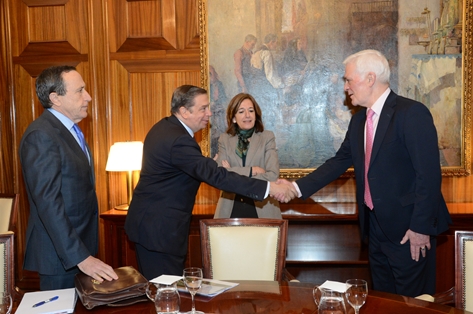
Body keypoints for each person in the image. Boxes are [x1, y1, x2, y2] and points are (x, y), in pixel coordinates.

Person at [288, 50, 452, 297]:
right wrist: (295, 188)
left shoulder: (411, 113)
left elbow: (428, 176)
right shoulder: (358, 122)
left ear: (370, 78)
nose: (345, 87)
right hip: (374, 229)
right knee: (383, 300)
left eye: (348, 80)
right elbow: (338, 163)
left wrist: (420, 228)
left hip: (409, 231)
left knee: (413, 306)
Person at [124, 85, 296, 280]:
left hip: (155, 227)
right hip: (159, 231)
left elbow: (204, 169)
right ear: (184, 111)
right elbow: (216, 175)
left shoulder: (165, 128)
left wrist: (213, 166)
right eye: (203, 108)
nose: (209, 113)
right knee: (166, 294)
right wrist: (269, 187)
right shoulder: (178, 139)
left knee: (164, 292)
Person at [19, 65, 118, 290]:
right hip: (60, 258)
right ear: (56, 98)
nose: (88, 97)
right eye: (80, 91)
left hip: (79, 250)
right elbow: (48, 203)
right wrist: (80, 257)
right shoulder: (41, 135)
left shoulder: (69, 130)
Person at [214, 93, 281, 219]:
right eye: (241, 111)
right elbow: (220, 175)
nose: (247, 115)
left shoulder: (267, 137)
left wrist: (231, 172)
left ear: (256, 115)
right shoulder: (224, 139)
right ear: (234, 117)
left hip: (263, 209)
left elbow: (273, 175)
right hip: (231, 209)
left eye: (251, 110)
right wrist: (252, 171)